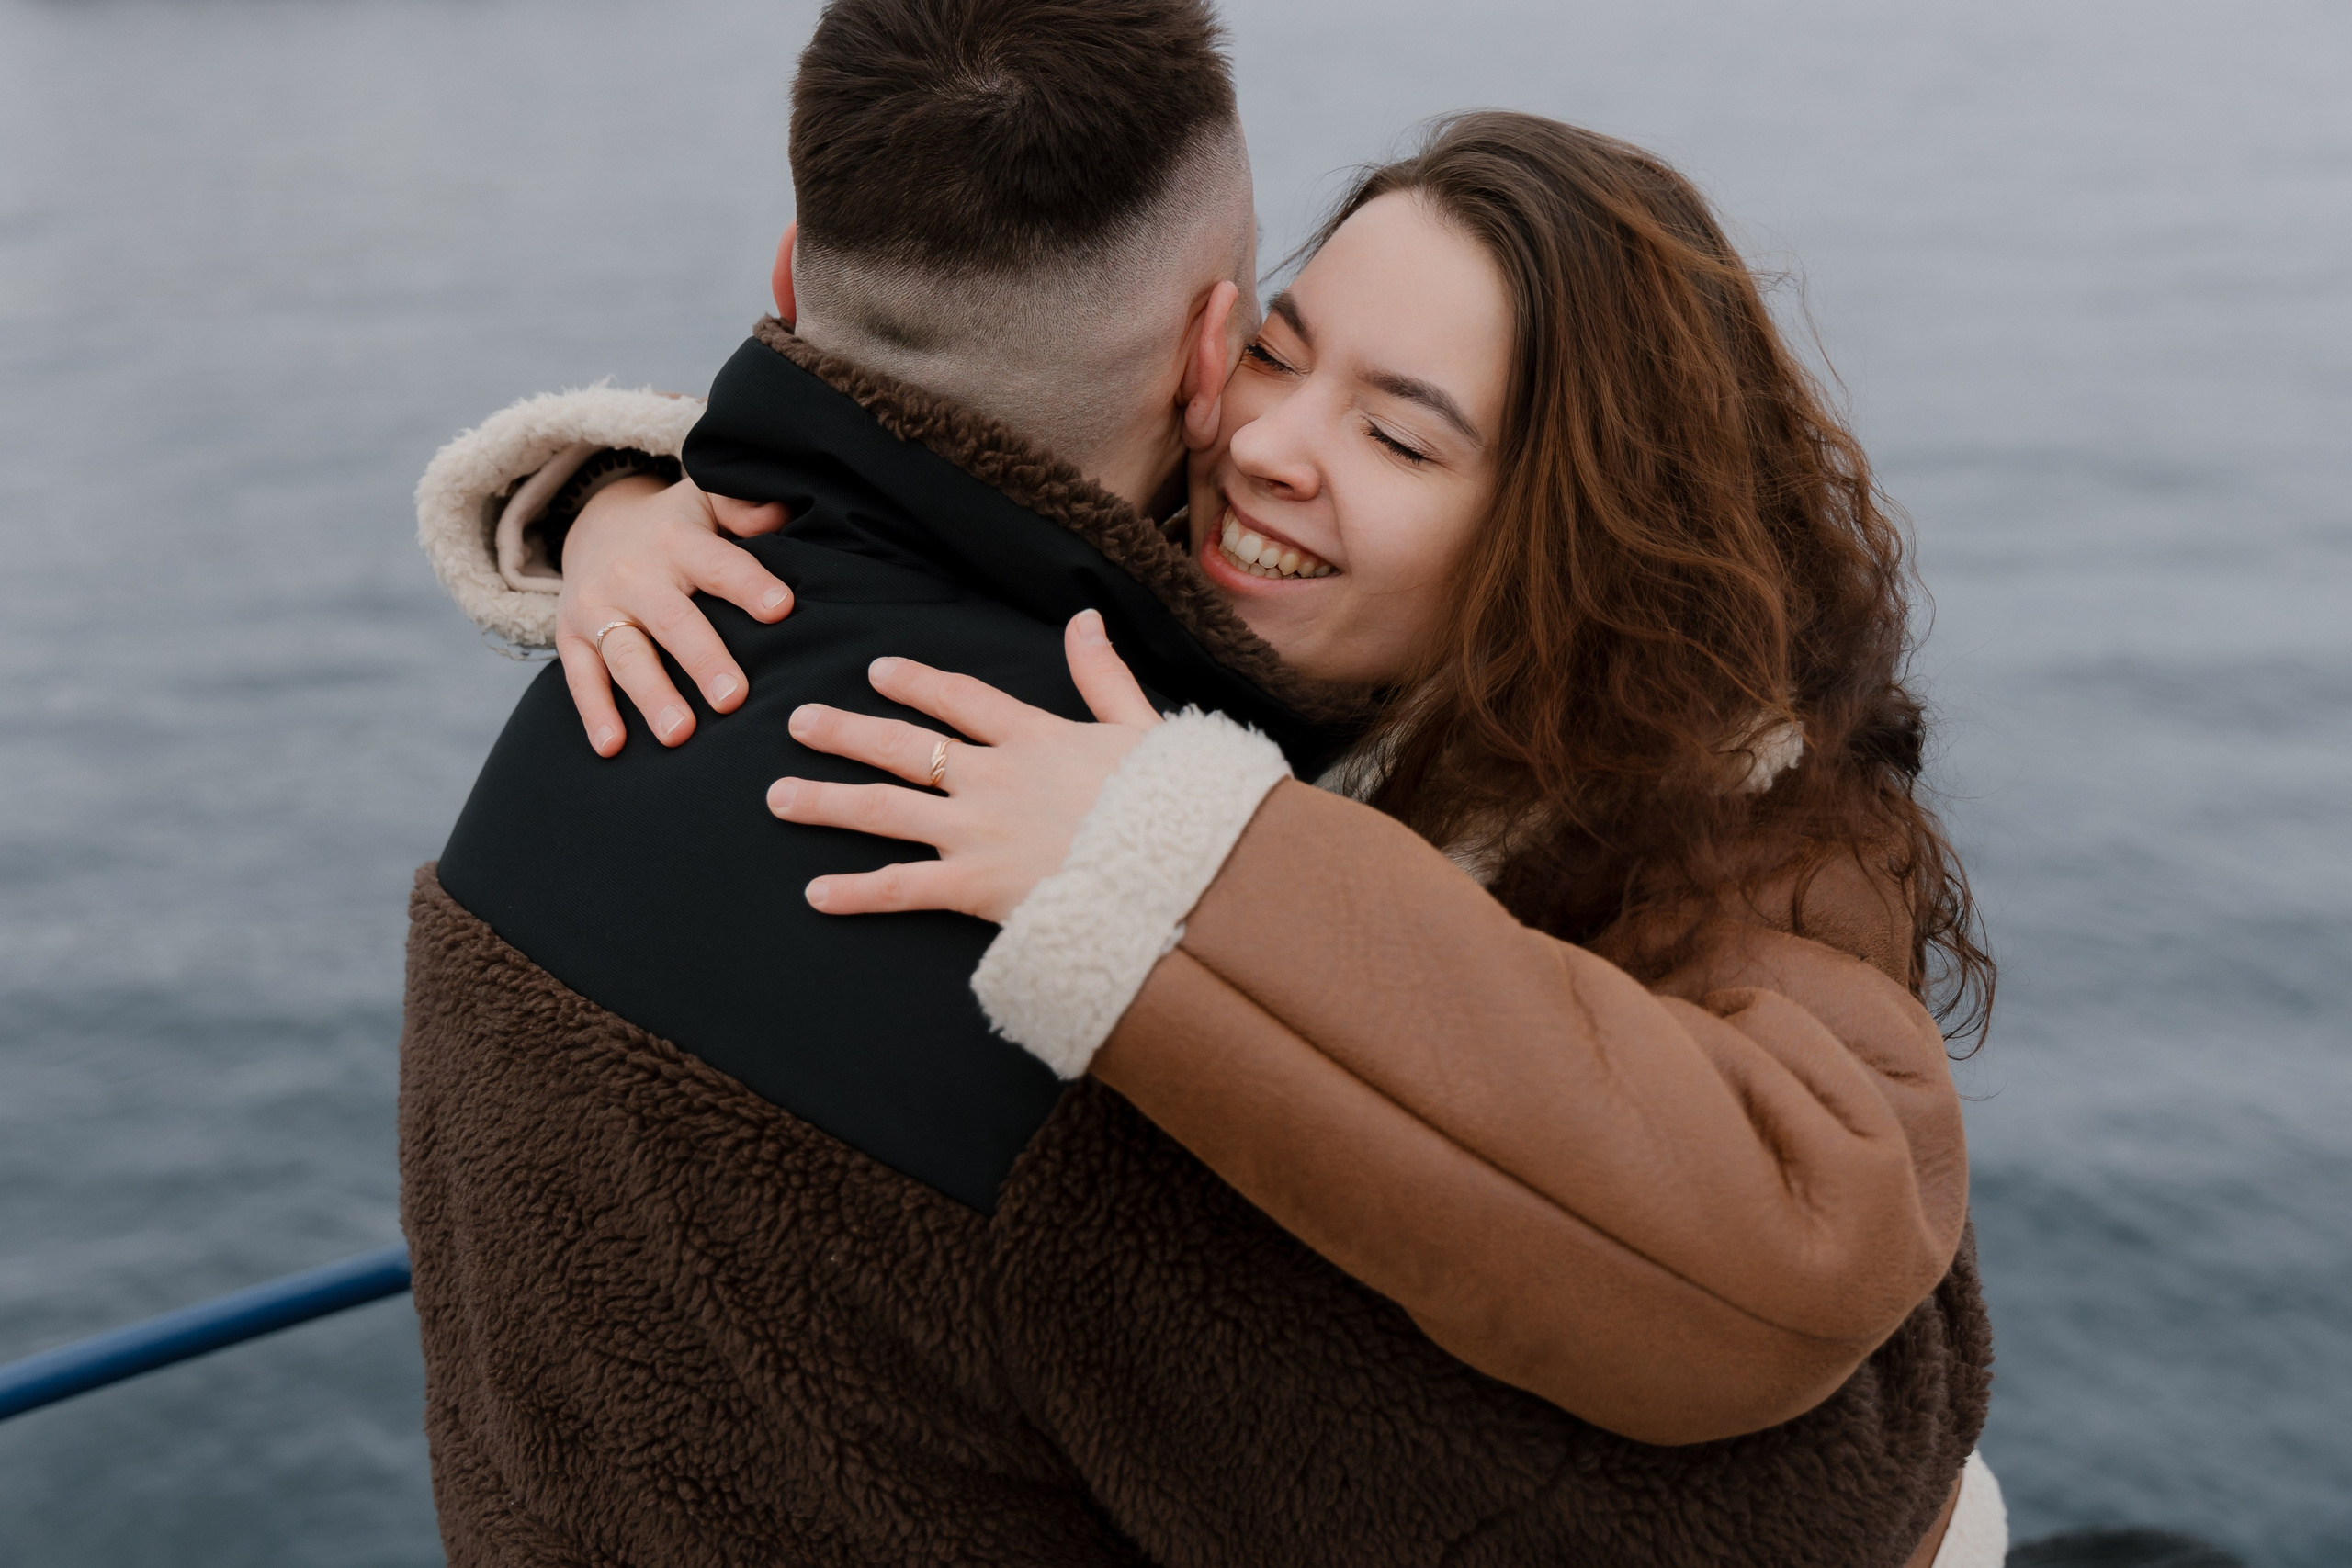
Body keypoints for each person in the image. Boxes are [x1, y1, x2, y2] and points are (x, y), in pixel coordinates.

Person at [408, 10, 1996, 1568]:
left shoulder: (605, 723)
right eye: (1274, 355)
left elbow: (1798, 1256)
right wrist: (612, 496)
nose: (1268, 446)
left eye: (1401, 435)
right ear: (1199, 353)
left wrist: (1170, 857)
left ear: (1571, 533)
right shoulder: (1039, 842)